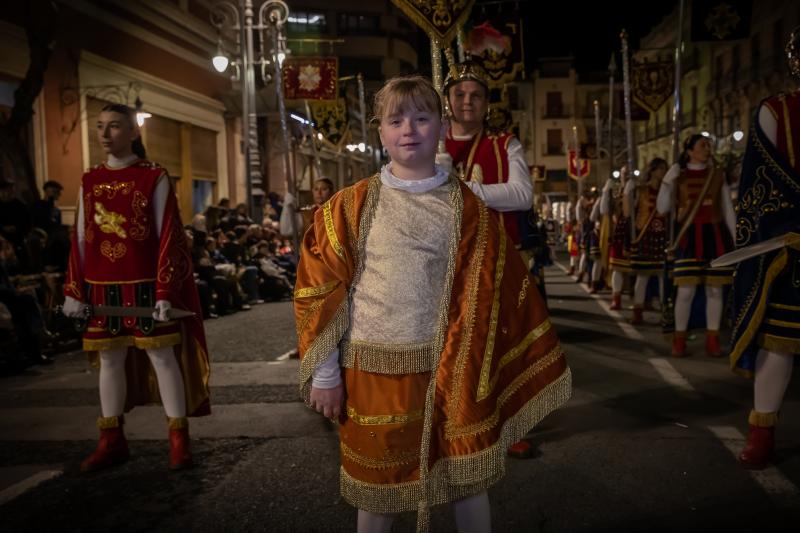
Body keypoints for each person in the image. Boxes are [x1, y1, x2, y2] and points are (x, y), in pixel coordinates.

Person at [295, 75, 570, 533]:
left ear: (441, 128)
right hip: (373, 374)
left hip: (456, 371)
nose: (409, 129)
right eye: (396, 120)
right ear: (381, 132)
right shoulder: (348, 207)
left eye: (421, 119)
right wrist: (325, 374)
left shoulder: (470, 208)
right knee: (378, 493)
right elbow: (319, 291)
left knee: (468, 482)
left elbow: (501, 293)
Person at [61, 103, 210, 472]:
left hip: (146, 286)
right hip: (101, 287)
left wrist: (164, 292)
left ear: (133, 132)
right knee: (110, 360)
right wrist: (73, 289)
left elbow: (167, 236)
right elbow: (80, 239)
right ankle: (111, 439)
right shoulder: (89, 180)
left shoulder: (153, 176)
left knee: (162, 357)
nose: (105, 134)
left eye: (114, 126)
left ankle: (178, 441)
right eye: (100, 126)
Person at [438, 60, 537, 459]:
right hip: (440, 258)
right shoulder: (429, 140)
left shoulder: (505, 144)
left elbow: (522, 195)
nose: (467, 101)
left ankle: (509, 424)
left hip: (495, 258)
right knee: (447, 346)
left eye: (476, 95)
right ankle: (452, 425)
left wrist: (462, 189)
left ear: (486, 102)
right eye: (459, 94)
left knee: (498, 345)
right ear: (447, 100)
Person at [729, 27, 800, 470]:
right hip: (792, 244)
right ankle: (762, 431)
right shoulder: (777, 111)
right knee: (781, 342)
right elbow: (762, 181)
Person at [657, 134, 736, 358]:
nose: (707, 149)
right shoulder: (679, 176)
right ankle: (679, 339)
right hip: (688, 237)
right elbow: (662, 208)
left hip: (716, 235)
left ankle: (712, 339)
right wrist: (667, 182)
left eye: (708, 145)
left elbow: (727, 209)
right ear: (689, 151)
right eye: (702, 145)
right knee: (685, 290)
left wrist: (737, 239)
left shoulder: (718, 175)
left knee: (715, 290)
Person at [628, 158, 668, 325]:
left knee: (662, 276)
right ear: (652, 170)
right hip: (644, 235)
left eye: (665, 169)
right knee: (642, 276)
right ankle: (638, 312)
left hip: (662, 235)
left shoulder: (668, 190)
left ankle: (664, 314)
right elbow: (630, 212)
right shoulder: (640, 190)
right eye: (660, 169)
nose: (663, 172)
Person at [599, 168, 633, 304]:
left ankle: (638, 300)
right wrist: (606, 192)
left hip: (636, 231)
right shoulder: (615, 193)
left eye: (629, 173)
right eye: (624, 173)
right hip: (620, 231)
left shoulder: (638, 189)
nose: (627, 175)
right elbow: (605, 210)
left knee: (639, 269)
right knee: (617, 267)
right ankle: (616, 297)